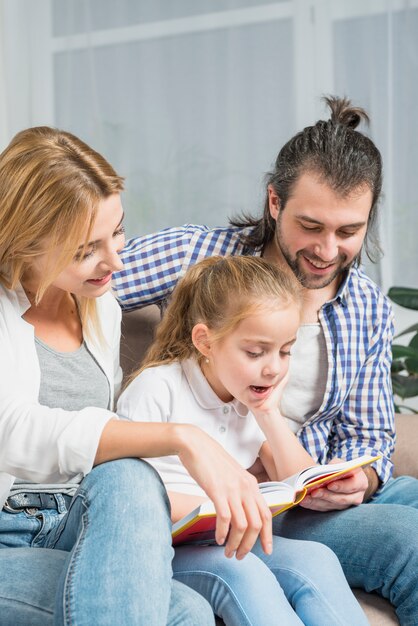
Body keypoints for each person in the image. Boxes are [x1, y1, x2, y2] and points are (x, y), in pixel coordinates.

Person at [113, 95, 418, 625]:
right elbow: (78, 280)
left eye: (348, 232)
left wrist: (362, 480)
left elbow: (370, 439)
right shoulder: (199, 258)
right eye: (311, 226)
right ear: (274, 203)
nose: (327, 250)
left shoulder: (365, 304)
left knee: (405, 493)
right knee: (408, 541)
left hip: (304, 480)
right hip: (255, 501)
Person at [0, 126, 274, 625]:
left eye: (118, 231)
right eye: (87, 249)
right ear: (25, 243)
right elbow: (14, 430)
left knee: (129, 476)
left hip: (73, 515)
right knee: (184, 612)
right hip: (7, 528)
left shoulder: (98, 304)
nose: (115, 259)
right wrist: (181, 437)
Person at [117, 255, 368, 626]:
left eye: (285, 351)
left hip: (225, 538)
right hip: (161, 547)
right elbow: (122, 493)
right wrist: (225, 505)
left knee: (317, 558)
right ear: (205, 341)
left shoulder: (248, 396)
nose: (274, 367)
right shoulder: (158, 389)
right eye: (256, 352)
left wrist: (268, 414)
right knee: (242, 573)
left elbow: (301, 482)